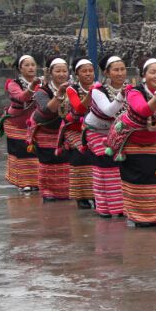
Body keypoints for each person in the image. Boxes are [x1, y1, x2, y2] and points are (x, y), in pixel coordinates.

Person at [108, 58, 156, 227]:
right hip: (132, 142)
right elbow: (144, 110)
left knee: (155, 179)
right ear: (144, 75)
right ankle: (139, 217)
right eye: (153, 72)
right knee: (137, 179)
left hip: (155, 143)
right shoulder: (134, 92)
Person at [83, 56, 127, 218]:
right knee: (104, 165)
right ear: (107, 73)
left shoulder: (132, 89)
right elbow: (109, 111)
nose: (120, 73)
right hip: (96, 132)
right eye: (116, 70)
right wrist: (122, 95)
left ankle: (120, 207)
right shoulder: (97, 90)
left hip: (117, 132)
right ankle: (103, 206)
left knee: (120, 167)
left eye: (122, 69)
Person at [27, 58, 72, 202]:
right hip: (45, 131)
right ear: (50, 73)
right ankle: (48, 192)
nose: (61, 74)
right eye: (57, 71)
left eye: (64, 71)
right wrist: (59, 93)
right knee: (48, 162)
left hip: (65, 130)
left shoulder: (73, 88)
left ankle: (68, 191)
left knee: (66, 160)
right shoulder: (42, 91)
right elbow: (48, 109)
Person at [0, 54, 40, 192]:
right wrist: (33, 87)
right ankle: (24, 182)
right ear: (20, 69)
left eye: (33, 64)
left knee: (38, 152)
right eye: (26, 65)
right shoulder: (13, 84)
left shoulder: (43, 83)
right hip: (17, 124)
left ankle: (39, 181)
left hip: (36, 123)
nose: (30, 67)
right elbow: (21, 97)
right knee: (22, 154)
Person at [63, 59, 96, 210]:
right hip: (75, 129)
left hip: (96, 129)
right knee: (80, 157)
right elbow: (79, 109)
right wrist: (91, 94)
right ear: (77, 74)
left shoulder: (101, 88)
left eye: (90, 70)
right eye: (84, 71)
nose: (88, 74)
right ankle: (81, 196)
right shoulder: (72, 89)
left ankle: (98, 195)